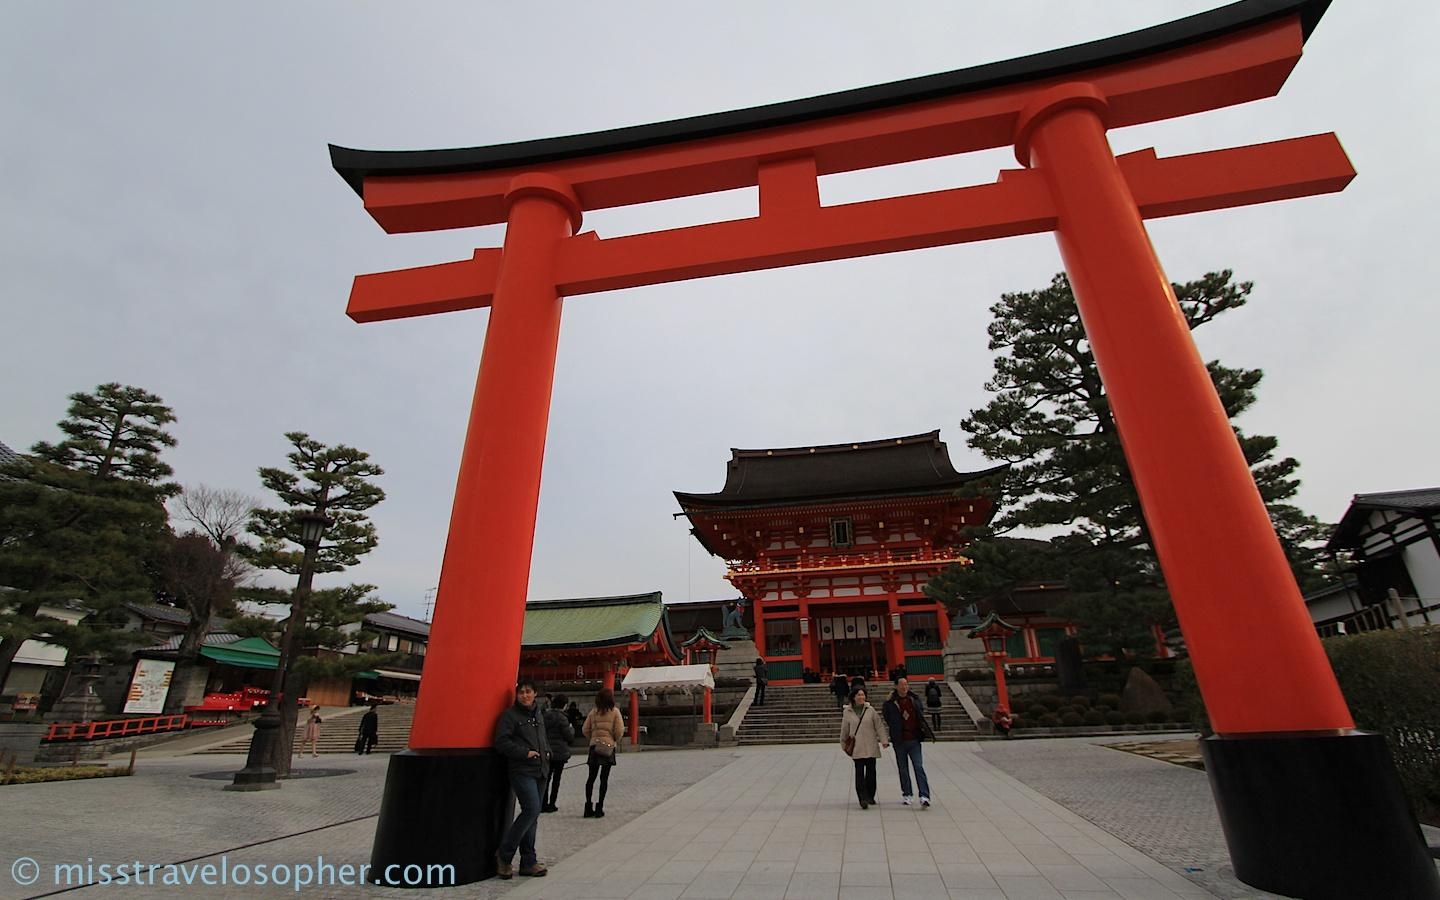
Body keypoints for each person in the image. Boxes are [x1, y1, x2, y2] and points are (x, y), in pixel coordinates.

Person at [493, 678, 551, 879]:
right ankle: (505, 855)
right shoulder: (510, 716)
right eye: (521, 692)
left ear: (535, 693)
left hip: (541, 769)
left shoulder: (538, 714)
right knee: (531, 810)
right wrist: (524, 753)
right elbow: (501, 741)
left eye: (528, 692)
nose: (525, 695)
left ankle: (528, 861)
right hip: (522, 769)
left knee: (533, 816)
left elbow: (543, 738)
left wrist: (548, 753)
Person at [881, 676, 935, 807]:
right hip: (900, 740)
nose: (904, 687)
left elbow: (920, 715)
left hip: (914, 739)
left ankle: (924, 795)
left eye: (906, 684)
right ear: (896, 686)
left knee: (918, 766)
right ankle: (907, 794)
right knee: (903, 768)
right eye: (902, 685)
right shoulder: (890, 703)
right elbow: (887, 718)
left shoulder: (914, 699)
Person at [840, 686, 889, 809]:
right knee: (859, 773)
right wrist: (844, 744)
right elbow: (845, 729)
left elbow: (879, 726)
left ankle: (870, 795)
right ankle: (862, 798)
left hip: (871, 745)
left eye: (863, 695)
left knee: (871, 772)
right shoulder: (848, 712)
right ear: (853, 697)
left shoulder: (870, 710)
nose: (861, 697)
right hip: (857, 747)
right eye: (859, 695)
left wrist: (884, 740)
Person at [581, 688, 625, 819]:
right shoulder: (615, 712)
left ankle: (588, 806)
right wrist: (613, 740)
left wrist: (593, 739)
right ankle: (599, 807)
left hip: (595, 747)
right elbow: (619, 730)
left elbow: (585, 729)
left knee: (591, 778)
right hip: (608, 747)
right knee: (603, 779)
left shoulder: (593, 712)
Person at [541, 693, 573, 813]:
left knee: (546, 778)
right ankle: (552, 803)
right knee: (556, 779)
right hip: (559, 753)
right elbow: (569, 736)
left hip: (546, 751)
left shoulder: (544, 715)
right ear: (564, 705)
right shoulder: (562, 718)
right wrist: (571, 729)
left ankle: (542, 803)